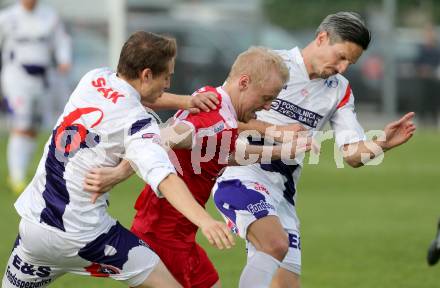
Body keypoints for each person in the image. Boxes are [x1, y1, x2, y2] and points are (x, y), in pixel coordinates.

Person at [1, 31, 234, 288]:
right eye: (167, 76)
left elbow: (138, 95)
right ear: (146, 74)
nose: (168, 84)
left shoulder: (94, 78)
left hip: (34, 228)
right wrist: (206, 221)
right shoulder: (137, 124)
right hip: (87, 237)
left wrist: (187, 101)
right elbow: (165, 178)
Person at [212, 12, 416, 288]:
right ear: (321, 38)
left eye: (350, 63)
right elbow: (219, 118)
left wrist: (381, 143)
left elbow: (350, 154)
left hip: (282, 194)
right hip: (240, 173)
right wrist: (273, 132)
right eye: (341, 56)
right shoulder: (270, 64)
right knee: (273, 243)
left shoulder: (339, 90)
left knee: (285, 283)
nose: (343, 68)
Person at [83, 46, 311, 288]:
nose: (267, 107)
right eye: (266, 98)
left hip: (180, 236)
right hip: (163, 237)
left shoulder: (214, 100)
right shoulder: (215, 120)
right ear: (244, 82)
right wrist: (119, 173)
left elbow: (224, 153)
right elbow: (163, 137)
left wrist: (280, 152)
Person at [0, 0, 72, 194]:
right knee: (21, 124)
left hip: (42, 79)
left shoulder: (50, 16)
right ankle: (16, 176)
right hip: (17, 77)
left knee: (33, 127)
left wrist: (64, 59)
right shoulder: (7, 17)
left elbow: (61, 40)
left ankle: (22, 171)